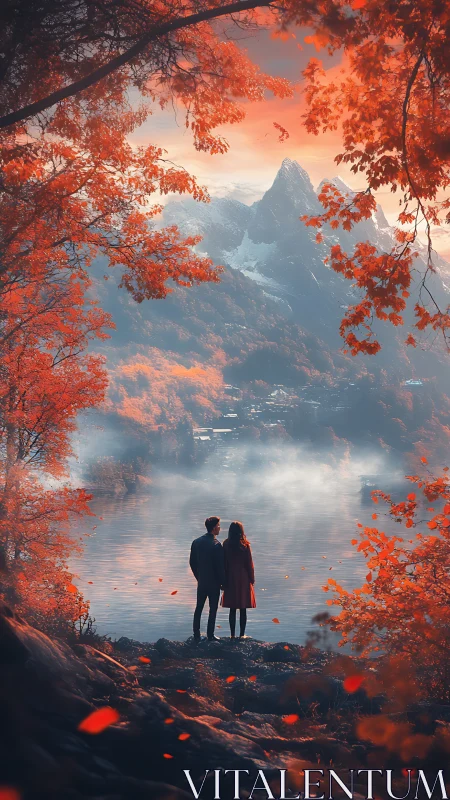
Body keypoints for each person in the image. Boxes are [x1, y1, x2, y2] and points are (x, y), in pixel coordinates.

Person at [189, 516, 225, 642]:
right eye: (219, 525)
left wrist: (198, 577)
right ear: (214, 527)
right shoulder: (216, 545)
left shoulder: (196, 542)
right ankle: (210, 635)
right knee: (213, 609)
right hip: (214, 583)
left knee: (199, 607)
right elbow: (220, 567)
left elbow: (192, 562)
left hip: (202, 581)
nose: (220, 528)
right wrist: (223, 583)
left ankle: (196, 635)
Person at [221, 521, 256, 639]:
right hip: (243, 578)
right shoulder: (245, 545)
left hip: (230, 577)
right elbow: (249, 564)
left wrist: (223, 579)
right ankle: (242, 635)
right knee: (242, 607)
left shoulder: (225, 544)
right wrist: (252, 578)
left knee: (232, 608)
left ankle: (232, 635)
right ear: (241, 531)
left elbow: (223, 563)